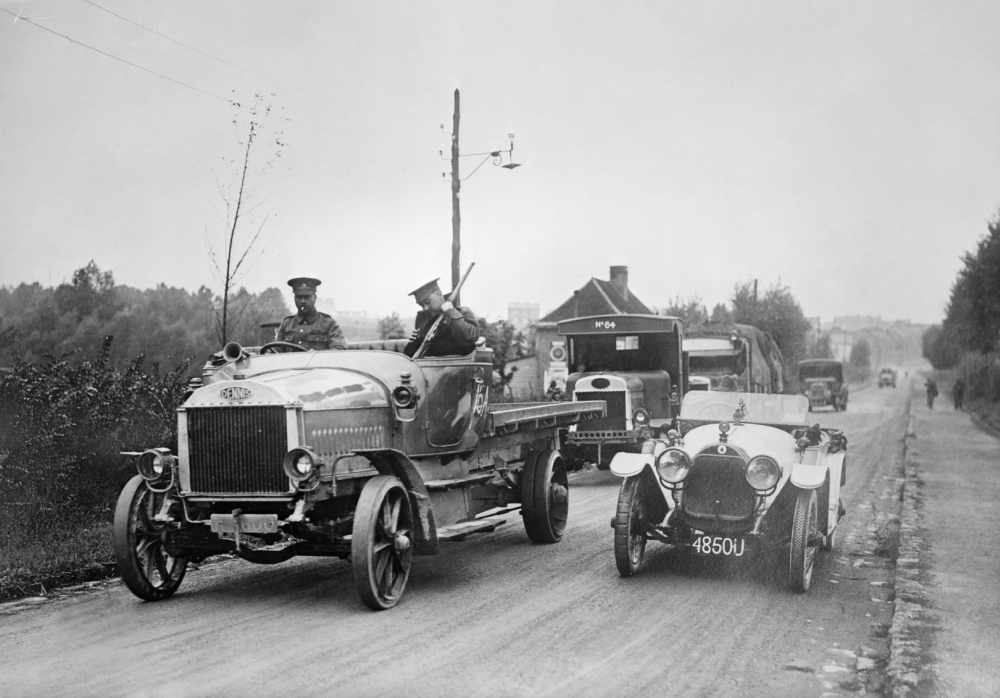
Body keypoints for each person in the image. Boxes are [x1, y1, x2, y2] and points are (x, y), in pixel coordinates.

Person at [403, 278, 479, 358]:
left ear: (439, 294)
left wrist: (451, 312)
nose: (425, 308)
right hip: (428, 366)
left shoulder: (463, 312)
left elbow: (469, 338)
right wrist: (413, 342)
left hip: (457, 366)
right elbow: (410, 356)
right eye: (421, 305)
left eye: (427, 302)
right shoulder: (422, 319)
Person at [275, 277, 347, 350]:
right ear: (294, 298)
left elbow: (340, 348)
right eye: (299, 297)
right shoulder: (286, 324)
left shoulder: (328, 323)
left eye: (307, 297)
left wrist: (316, 356)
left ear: (315, 298)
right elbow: (275, 350)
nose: (302, 301)